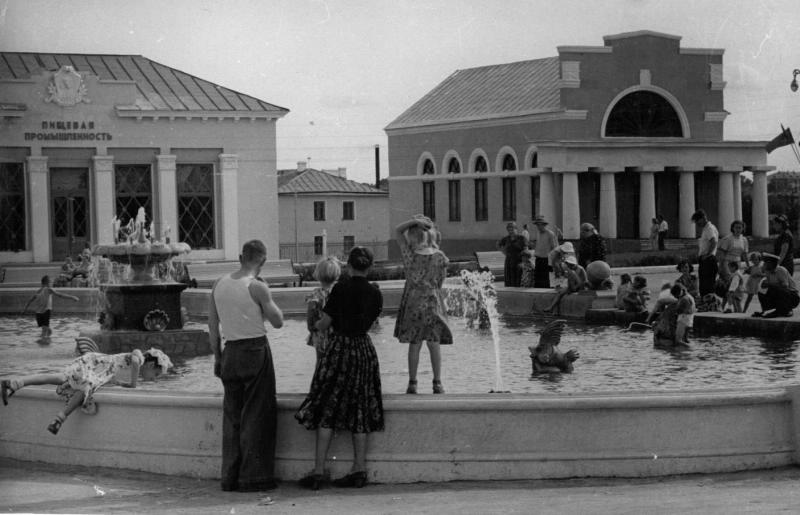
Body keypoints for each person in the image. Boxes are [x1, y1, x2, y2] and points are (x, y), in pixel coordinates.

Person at [295, 246, 384, 490]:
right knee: (361, 410)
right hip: (364, 351)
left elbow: (324, 324)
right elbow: (371, 322)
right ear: (370, 267)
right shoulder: (375, 293)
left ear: (349, 266)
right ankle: (359, 469)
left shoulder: (341, 289)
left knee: (326, 407)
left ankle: (319, 471)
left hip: (340, 350)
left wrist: (314, 323)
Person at [208, 239, 284, 493]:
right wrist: (267, 297)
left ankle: (229, 476)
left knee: (232, 416)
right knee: (257, 414)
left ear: (241, 257)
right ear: (261, 261)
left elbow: (212, 328)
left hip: (230, 351)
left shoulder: (218, 284)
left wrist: (218, 358)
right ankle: (253, 478)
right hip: (255, 350)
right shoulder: (257, 286)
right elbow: (278, 322)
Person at [1, 341, 171, 435]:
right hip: (95, 364)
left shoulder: (136, 367)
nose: (153, 379)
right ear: (150, 363)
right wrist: (134, 385)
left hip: (97, 371)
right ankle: (18, 384)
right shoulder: (140, 357)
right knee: (73, 382)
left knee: (73, 384)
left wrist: (123, 384)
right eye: (155, 374)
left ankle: (16, 385)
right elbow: (134, 361)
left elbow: (114, 376)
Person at [394, 215, 452, 394]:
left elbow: (397, 230)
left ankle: (412, 383)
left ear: (412, 235)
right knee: (434, 343)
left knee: (415, 344)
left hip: (413, 304)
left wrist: (413, 221)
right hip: (432, 302)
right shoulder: (440, 256)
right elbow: (440, 283)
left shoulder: (409, 255)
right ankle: (437, 383)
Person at [305, 256, 341, 363]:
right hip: (338, 336)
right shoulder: (340, 293)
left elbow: (310, 319)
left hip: (320, 335)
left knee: (321, 365)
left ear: (318, 274)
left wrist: (312, 329)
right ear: (337, 274)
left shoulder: (315, 295)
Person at [752, 252, 799, 318]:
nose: (764, 265)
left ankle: (786, 310)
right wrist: (764, 285)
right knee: (761, 291)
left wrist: (769, 284)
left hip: (792, 297)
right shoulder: (768, 271)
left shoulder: (781, 270)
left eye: (766, 263)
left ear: (771, 263)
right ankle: (766, 310)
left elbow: (785, 286)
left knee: (774, 288)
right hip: (781, 294)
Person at [691, 209, 718, 296]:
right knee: (704, 284)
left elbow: (713, 242)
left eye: (697, 221)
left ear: (703, 218)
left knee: (707, 285)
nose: (697, 224)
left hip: (708, 260)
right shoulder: (707, 228)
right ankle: (706, 304)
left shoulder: (709, 228)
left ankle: (708, 304)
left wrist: (707, 255)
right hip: (706, 260)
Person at [529, 215, 557, 288]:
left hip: (546, 259)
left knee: (546, 280)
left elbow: (554, 248)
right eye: (537, 225)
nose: (538, 226)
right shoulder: (538, 233)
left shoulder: (550, 234)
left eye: (539, 224)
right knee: (538, 280)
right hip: (538, 259)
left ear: (544, 225)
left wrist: (553, 261)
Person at [496, 222, 527, 287]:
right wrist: (503, 252)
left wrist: (524, 262)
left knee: (518, 281)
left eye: (512, 229)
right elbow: (498, 244)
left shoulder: (521, 238)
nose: (511, 231)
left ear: (516, 229)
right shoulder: (506, 239)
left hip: (518, 261)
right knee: (509, 281)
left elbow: (525, 250)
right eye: (509, 230)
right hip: (509, 262)